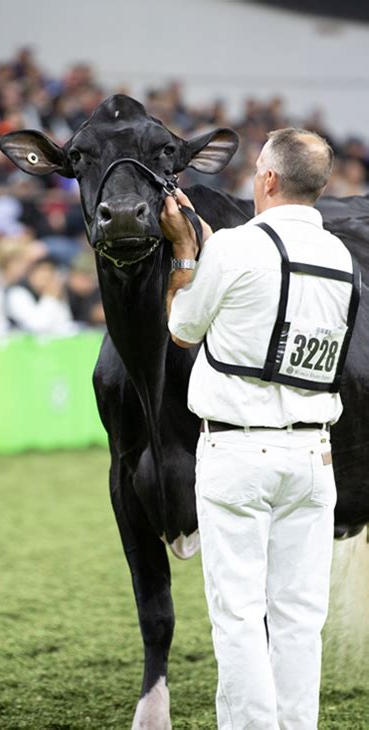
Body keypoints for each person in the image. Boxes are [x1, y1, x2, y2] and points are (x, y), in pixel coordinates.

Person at [160, 128, 359, 730]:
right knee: (300, 615)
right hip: (314, 454)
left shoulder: (236, 249)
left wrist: (189, 254)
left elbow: (183, 329)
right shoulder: (340, 257)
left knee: (240, 615)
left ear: (267, 180)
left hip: (239, 451)